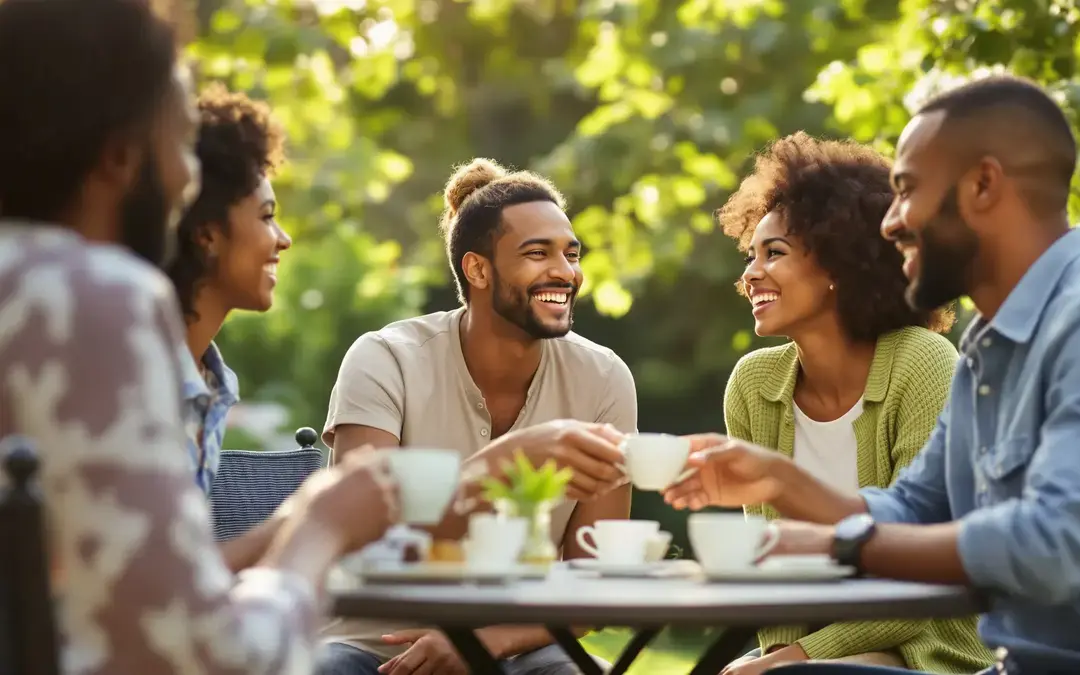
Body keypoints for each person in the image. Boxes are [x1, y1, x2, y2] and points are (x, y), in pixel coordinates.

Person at [665, 75, 1080, 675]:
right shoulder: (989, 348)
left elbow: (1055, 546)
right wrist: (776, 481)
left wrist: (839, 544)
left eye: (907, 191)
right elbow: (916, 507)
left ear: (983, 185)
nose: (890, 224)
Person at [0, 1, 399, 673]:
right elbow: (201, 654)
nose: (190, 177)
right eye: (181, 142)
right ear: (120, 152)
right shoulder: (86, 298)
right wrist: (323, 527)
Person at [318, 158, 636, 675]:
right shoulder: (386, 358)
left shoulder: (604, 378)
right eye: (538, 253)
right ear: (478, 269)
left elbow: (594, 579)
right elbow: (364, 535)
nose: (565, 271)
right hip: (378, 642)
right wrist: (504, 462)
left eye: (571, 254)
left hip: (523, 642)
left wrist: (487, 641)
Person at [711, 132, 989, 674]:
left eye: (775, 254)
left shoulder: (923, 363)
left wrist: (797, 659)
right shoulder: (754, 384)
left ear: (838, 266)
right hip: (809, 652)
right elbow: (769, 560)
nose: (750, 274)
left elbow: (922, 568)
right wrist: (777, 657)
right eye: (751, 255)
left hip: (928, 645)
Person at [164, 84, 293, 571]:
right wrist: (309, 521)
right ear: (206, 234)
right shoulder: (140, 381)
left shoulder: (210, 384)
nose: (283, 239)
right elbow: (166, 587)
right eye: (266, 216)